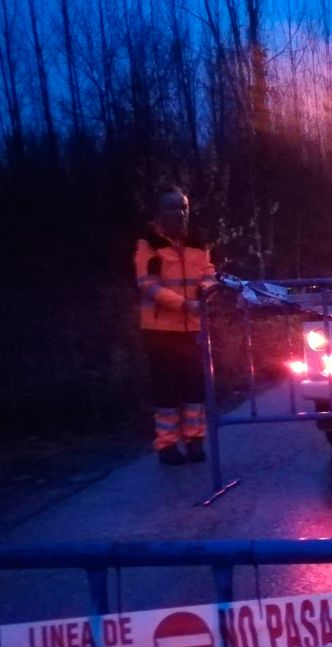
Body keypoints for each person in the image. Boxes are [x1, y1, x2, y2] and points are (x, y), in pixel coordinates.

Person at [134, 185, 217, 465]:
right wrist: (185, 304)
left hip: (193, 328)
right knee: (166, 391)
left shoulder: (198, 243)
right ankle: (167, 446)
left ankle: (195, 442)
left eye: (184, 207)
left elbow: (209, 273)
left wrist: (208, 288)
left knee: (194, 388)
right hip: (160, 331)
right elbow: (148, 286)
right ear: (158, 212)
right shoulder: (148, 245)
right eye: (173, 207)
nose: (180, 213)